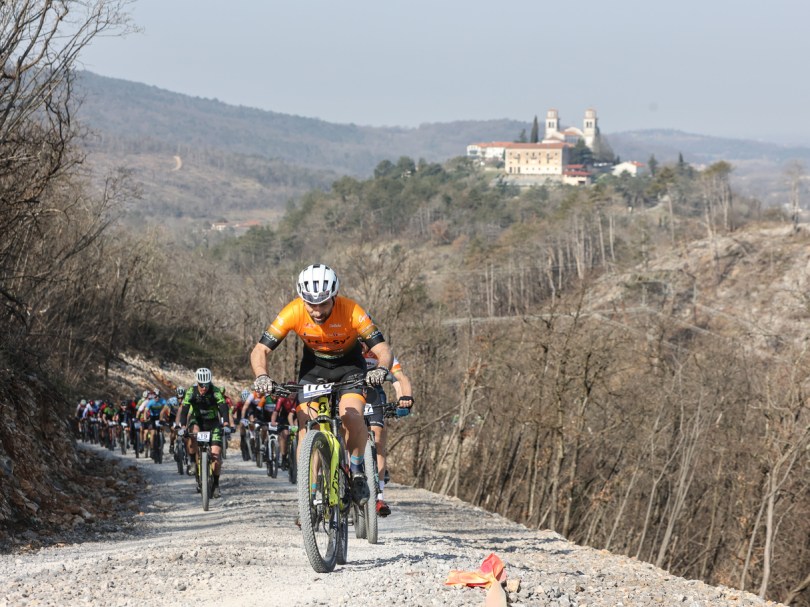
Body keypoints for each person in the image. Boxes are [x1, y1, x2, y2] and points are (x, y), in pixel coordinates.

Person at [250, 263, 393, 506]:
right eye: (310, 304)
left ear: (334, 297)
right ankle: (309, 495)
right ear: (302, 300)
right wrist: (262, 375)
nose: (316, 311)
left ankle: (356, 470)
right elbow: (260, 349)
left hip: (350, 369)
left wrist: (380, 369)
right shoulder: (293, 311)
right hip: (314, 371)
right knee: (306, 426)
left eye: (323, 304)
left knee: (352, 416)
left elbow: (383, 349)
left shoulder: (351, 310)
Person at [361, 342, 414, 517]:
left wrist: (404, 398)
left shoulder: (381, 352)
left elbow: (399, 379)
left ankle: (379, 496)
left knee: (378, 440)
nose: (362, 344)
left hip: (374, 394)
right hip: (350, 393)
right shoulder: (347, 347)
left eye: (365, 340)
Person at [179, 368, 231, 498]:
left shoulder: (215, 391)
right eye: (201, 385)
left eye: (207, 384)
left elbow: (223, 408)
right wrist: (183, 426)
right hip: (197, 421)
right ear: (197, 382)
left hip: (213, 424)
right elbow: (184, 409)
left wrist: (226, 424)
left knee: (216, 458)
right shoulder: (191, 391)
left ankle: (216, 484)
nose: (204, 388)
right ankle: (192, 461)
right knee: (193, 433)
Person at [270, 390, 297, 470]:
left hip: (295, 418)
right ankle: (284, 457)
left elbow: (295, 416)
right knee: (285, 434)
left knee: (298, 434)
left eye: (294, 392)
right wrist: (273, 421)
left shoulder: (298, 399)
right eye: (291, 392)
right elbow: (276, 411)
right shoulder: (282, 399)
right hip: (283, 419)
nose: (293, 394)